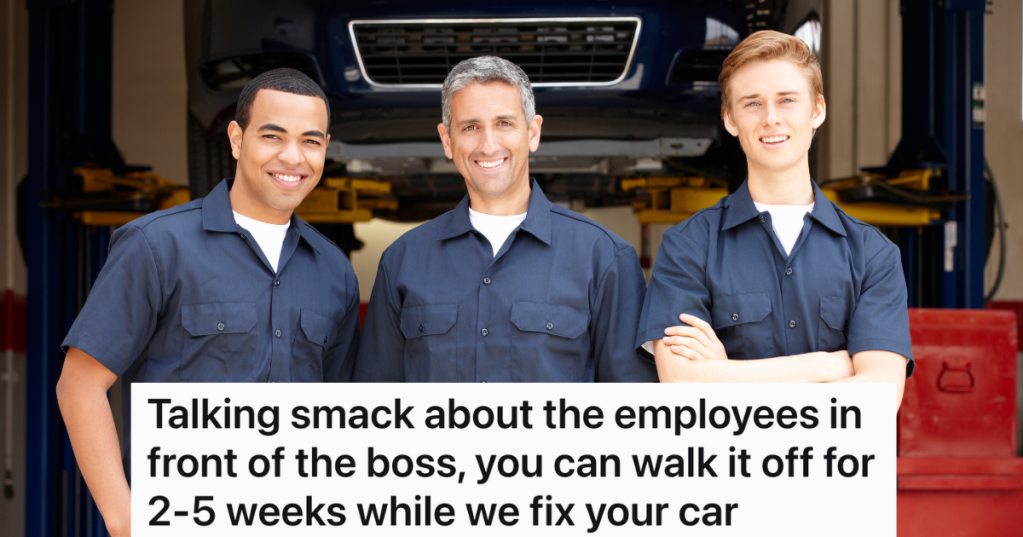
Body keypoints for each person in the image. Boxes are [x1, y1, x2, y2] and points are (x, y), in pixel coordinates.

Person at [56, 68, 360, 535]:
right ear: (237, 139)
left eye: (311, 141)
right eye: (272, 136)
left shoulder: (334, 270)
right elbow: (79, 385)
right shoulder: (157, 246)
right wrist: (126, 520)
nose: (292, 157)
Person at [636, 31, 913, 405]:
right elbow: (683, 385)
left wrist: (725, 374)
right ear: (730, 118)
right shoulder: (689, 246)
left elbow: (880, 398)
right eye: (752, 104)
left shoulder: (873, 254)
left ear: (817, 110)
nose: (771, 118)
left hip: (835, 463)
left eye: (786, 100)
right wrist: (822, 367)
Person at [355, 56, 656, 383]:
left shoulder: (605, 258)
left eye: (504, 123)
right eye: (470, 127)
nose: (488, 145)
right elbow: (377, 405)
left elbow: (632, 410)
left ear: (533, 132)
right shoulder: (403, 259)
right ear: (446, 140)